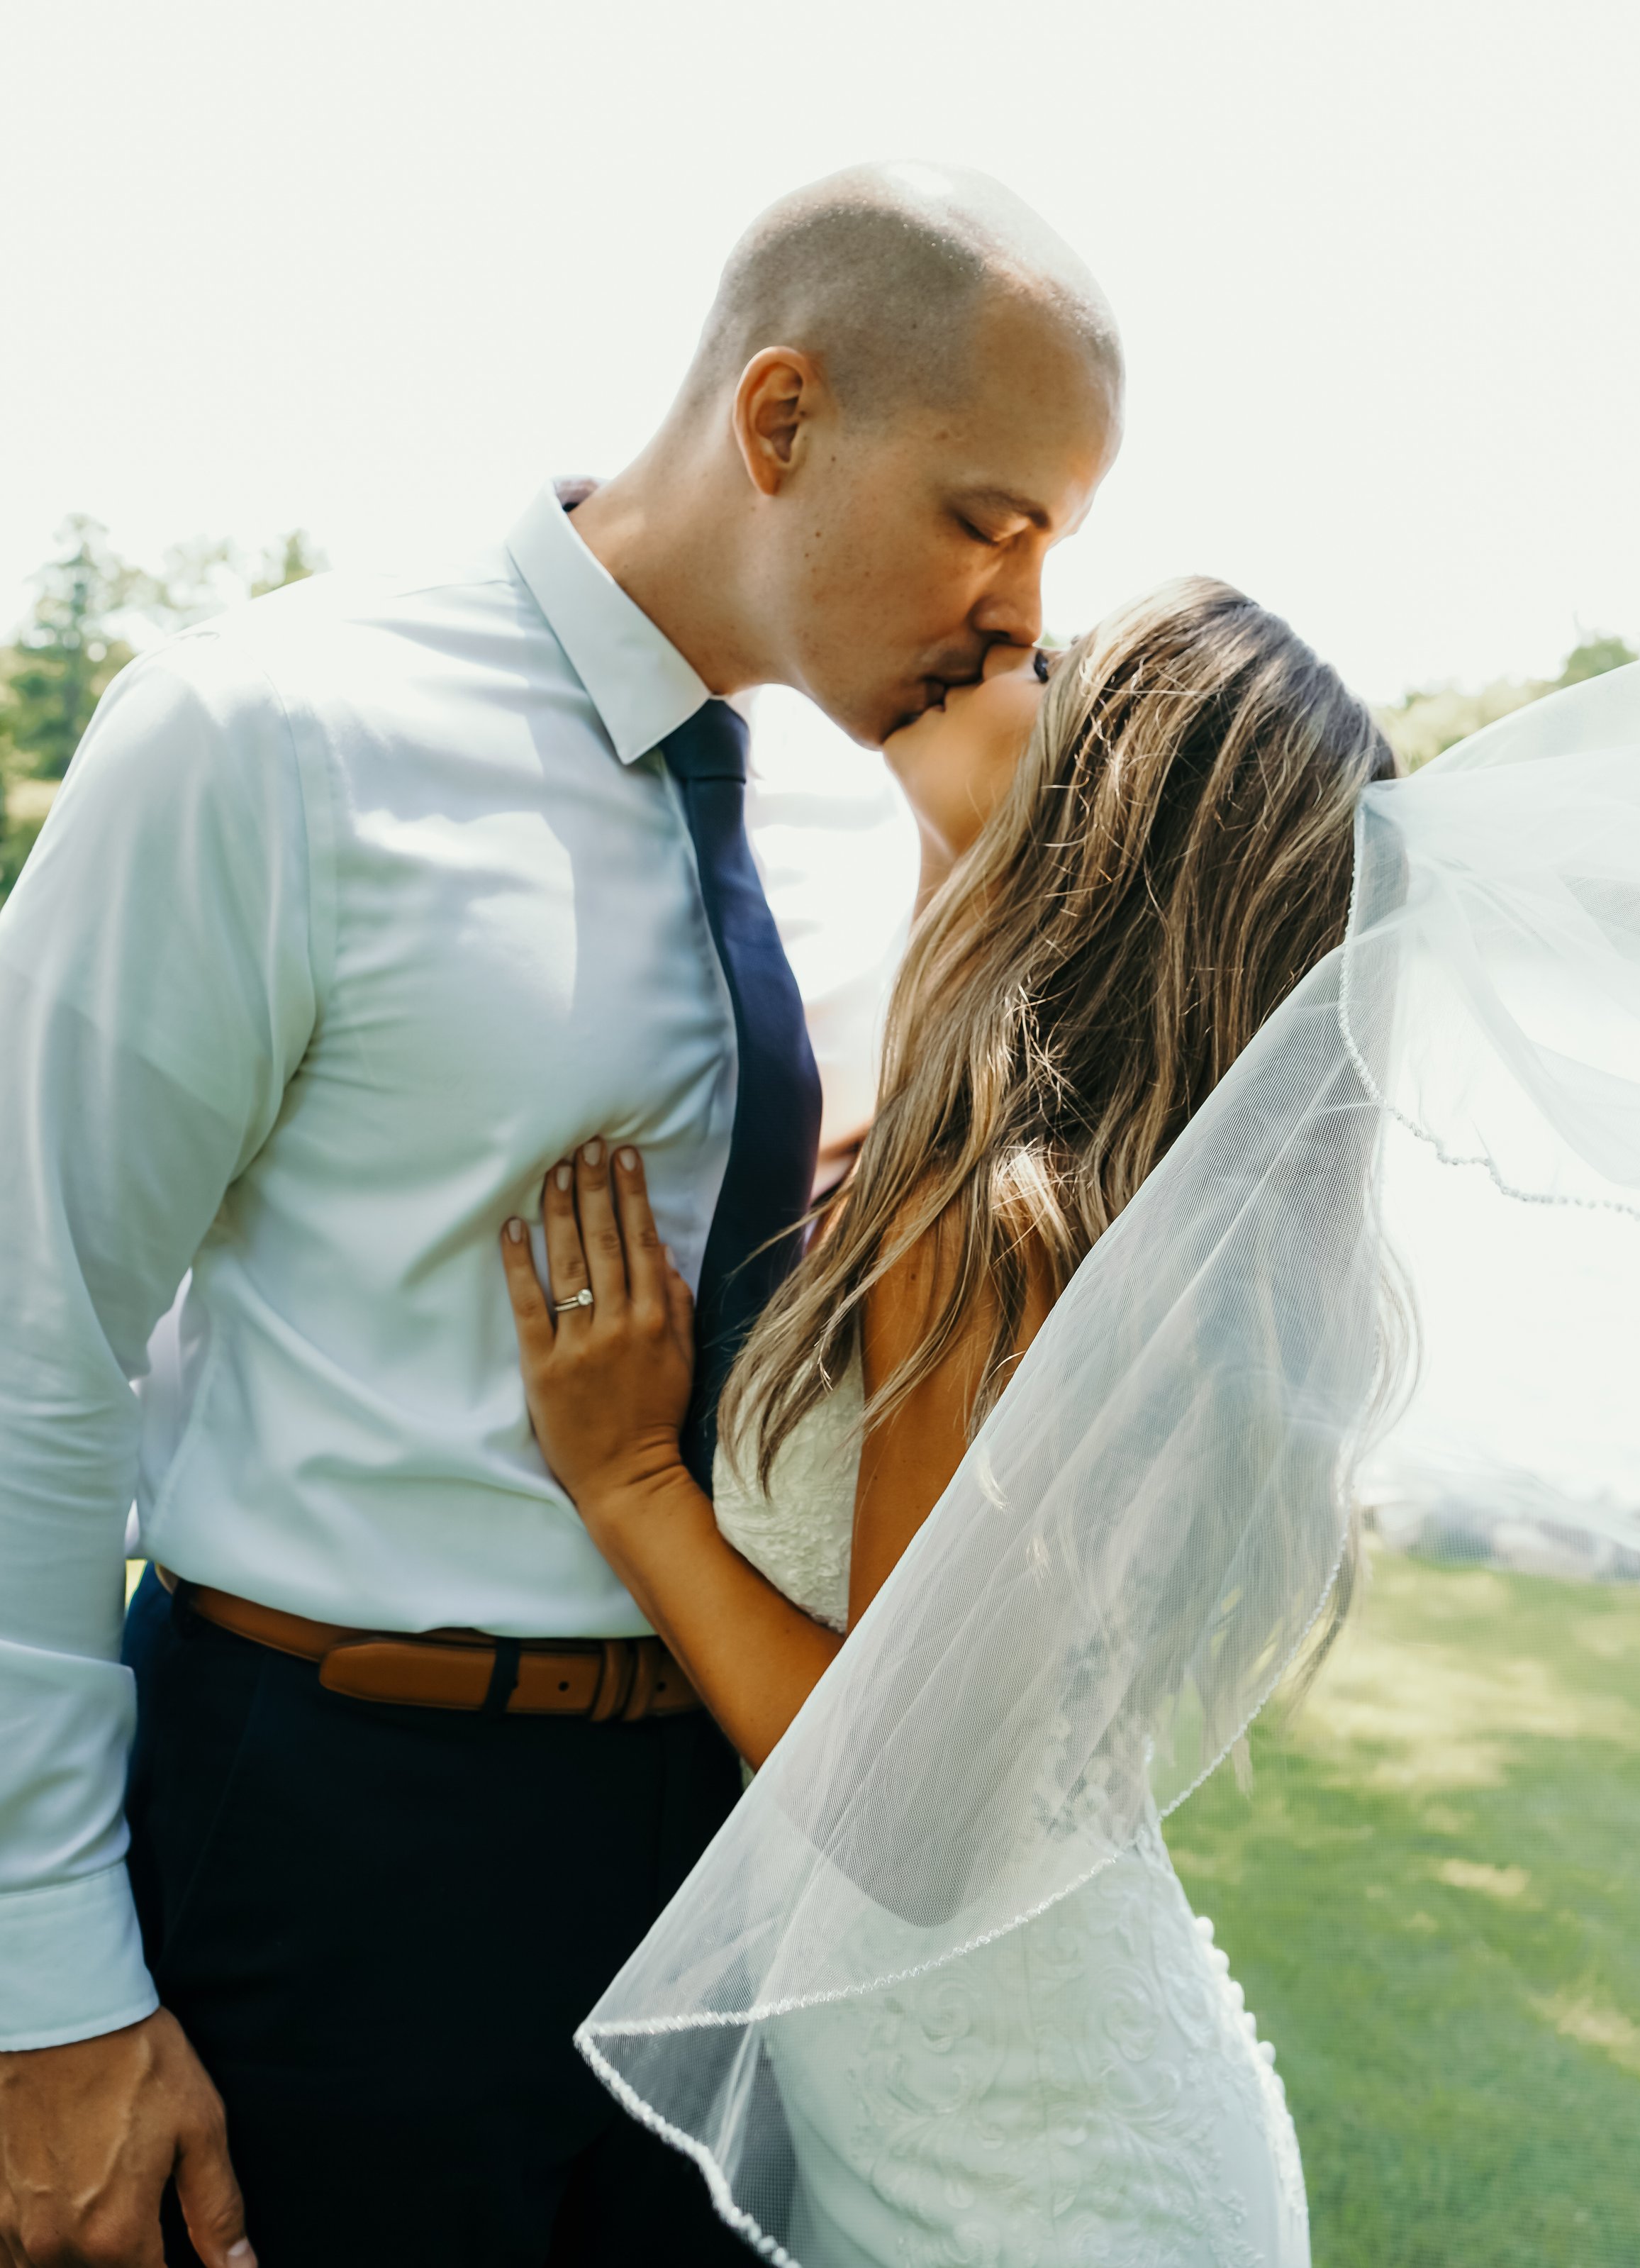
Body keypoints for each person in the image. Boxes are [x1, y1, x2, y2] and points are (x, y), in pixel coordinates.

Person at [0, 162, 1122, 2268]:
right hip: (330, 1838)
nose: (1023, 606)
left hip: (714, 1870)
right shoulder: (271, 735)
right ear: (779, 418)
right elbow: (24, 1340)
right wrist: (35, 1979)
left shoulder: (862, 817)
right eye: (992, 514)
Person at [496, 580, 1396, 2264]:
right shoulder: (1020, 1184)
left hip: (1030, 2190)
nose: (992, 642)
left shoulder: (995, 1232)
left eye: (1048, 668)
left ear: (1110, 814)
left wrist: (630, 1483)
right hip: (1066, 2116)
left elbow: (897, 1817)